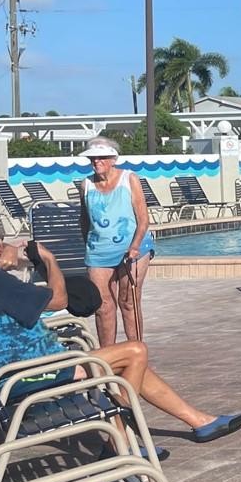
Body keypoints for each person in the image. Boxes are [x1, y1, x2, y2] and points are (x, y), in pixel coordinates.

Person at [0, 219, 241, 451]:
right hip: (33, 374)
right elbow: (59, 300)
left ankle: (201, 422)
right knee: (136, 351)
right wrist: (48, 259)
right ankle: (119, 439)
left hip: (11, 370)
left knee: (130, 362)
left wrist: (8, 262)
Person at [77, 137, 153, 346]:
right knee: (102, 306)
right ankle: (108, 355)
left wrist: (135, 246)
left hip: (133, 248)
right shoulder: (86, 185)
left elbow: (143, 219)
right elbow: (84, 220)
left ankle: (136, 351)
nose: (96, 161)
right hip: (98, 251)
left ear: (113, 159)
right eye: (92, 158)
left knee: (128, 302)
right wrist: (89, 246)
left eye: (101, 157)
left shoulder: (129, 179)